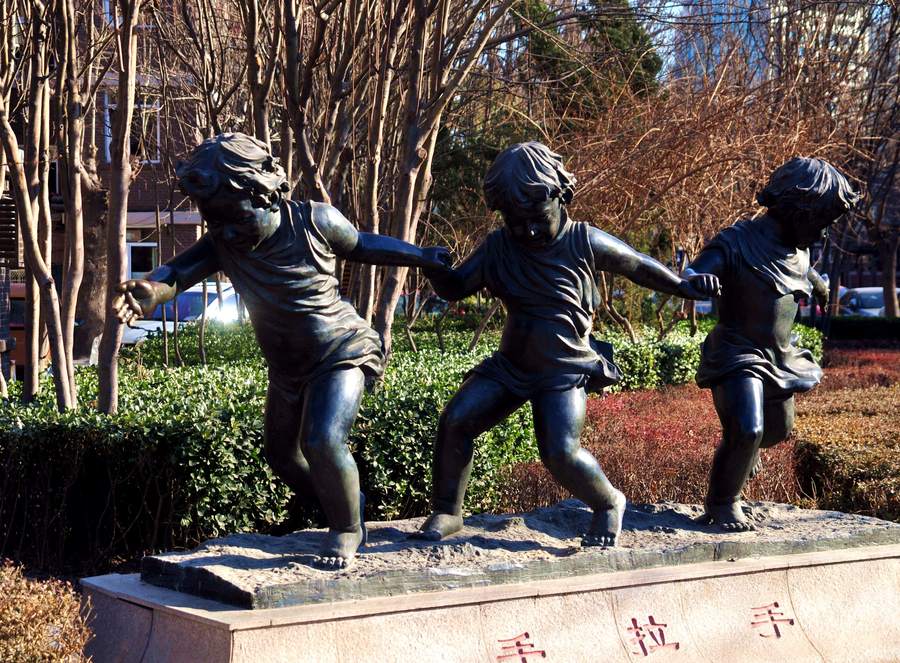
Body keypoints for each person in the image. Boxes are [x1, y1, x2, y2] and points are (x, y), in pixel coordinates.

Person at [112, 133, 450, 569]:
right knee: (282, 456)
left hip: (342, 350)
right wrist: (152, 291)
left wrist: (420, 256)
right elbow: (177, 273)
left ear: (266, 195)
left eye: (236, 218)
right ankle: (344, 501)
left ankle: (348, 528)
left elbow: (364, 244)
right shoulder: (224, 242)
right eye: (215, 222)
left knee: (322, 440)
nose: (226, 231)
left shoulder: (314, 221)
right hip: (287, 368)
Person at [415, 142, 720, 547]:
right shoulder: (498, 247)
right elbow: (456, 288)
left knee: (560, 451)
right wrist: (435, 269)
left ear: (562, 197)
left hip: (564, 368)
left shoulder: (583, 240)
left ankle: (608, 502)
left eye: (537, 219)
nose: (528, 231)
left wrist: (683, 285)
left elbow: (637, 264)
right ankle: (448, 510)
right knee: (456, 420)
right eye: (515, 222)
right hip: (511, 366)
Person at [683, 157, 858, 531]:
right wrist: (697, 279)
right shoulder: (737, 242)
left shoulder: (799, 248)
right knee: (747, 429)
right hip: (738, 352)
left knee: (778, 430)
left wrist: (819, 284)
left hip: (780, 357)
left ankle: (744, 453)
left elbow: (802, 269)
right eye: (820, 222)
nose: (823, 233)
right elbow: (697, 269)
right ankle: (722, 502)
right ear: (796, 210)